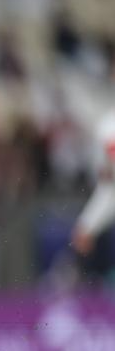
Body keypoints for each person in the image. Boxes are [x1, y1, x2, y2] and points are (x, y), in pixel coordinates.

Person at [70, 109, 115, 261]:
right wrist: (87, 225)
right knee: (82, 237)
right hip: (109, 188)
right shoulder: (107, 126)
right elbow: (107, 182)